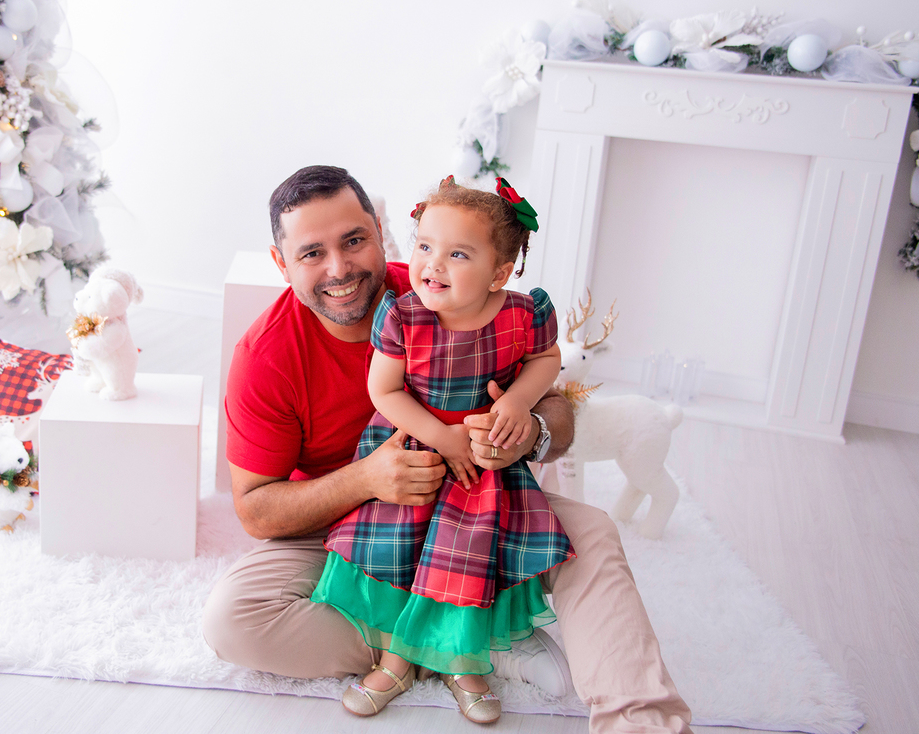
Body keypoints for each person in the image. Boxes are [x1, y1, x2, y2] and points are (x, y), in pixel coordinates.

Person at [202, 165, 693, 733]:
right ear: (281, 262)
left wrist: (528, 430)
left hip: (479, 498)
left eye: (354, 241)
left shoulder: (446, 281)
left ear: (380, 231)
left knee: (594, 535)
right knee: (231, 620)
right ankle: (462, 642)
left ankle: (641, 722)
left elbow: (554, 402)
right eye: (312, 253)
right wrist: (366, 479)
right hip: (346, 523)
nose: (339, 269)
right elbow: (256, 510)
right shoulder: (266, 355)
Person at [310, 175, 574, 723]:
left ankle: (462, 664)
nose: (433, 264)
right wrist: (443, 437)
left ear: (499, 273)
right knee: (400, 556)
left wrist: (518, 401)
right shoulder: (404, 316)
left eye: (458, 254)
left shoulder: (523, 315)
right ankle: (395, 663)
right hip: (417, 453)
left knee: (467, 560)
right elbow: (384, 391)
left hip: (483, 465)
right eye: (425, 246)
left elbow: (547, 361)